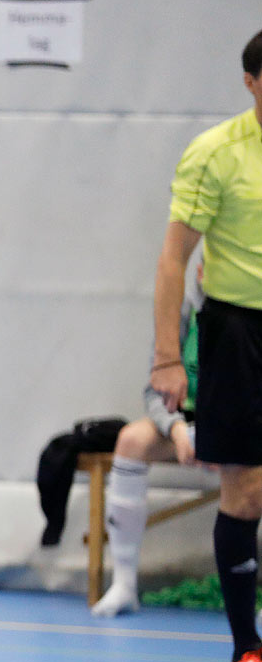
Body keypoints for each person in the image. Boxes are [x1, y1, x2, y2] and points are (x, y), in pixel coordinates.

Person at [150, 27, 262, 662]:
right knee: (244, 491)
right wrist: (168, 359)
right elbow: (173, 260)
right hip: (237, 334)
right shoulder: (216, 154)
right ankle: (246, 650)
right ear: (252, 82)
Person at [91, 259, 203, 617]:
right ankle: (124, 584)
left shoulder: (247, 317)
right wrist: (177, 429)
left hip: (238, 428)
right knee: (131, 440)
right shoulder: (182, 313)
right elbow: (154, 390)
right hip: (184, 426)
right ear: (201, 273)